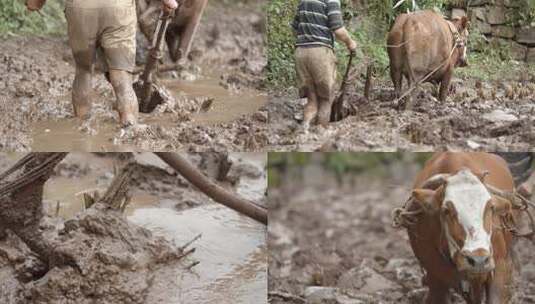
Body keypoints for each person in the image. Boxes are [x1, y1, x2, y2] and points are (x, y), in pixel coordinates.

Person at [26, 0, 178, 127]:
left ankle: (82, 128)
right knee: (122, 79)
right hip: (118, 9)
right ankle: (129, 127)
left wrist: (35, 3)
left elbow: (34, 3)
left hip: (81, 9)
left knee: (83, 72)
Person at [292, 0, 357, 131]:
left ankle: (304, 129)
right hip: (320, 54)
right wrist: (350, 43)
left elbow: (294, 28)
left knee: (312, 100)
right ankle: (321, 132)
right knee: (326, 99)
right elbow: (338, 29)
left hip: (301, 53)